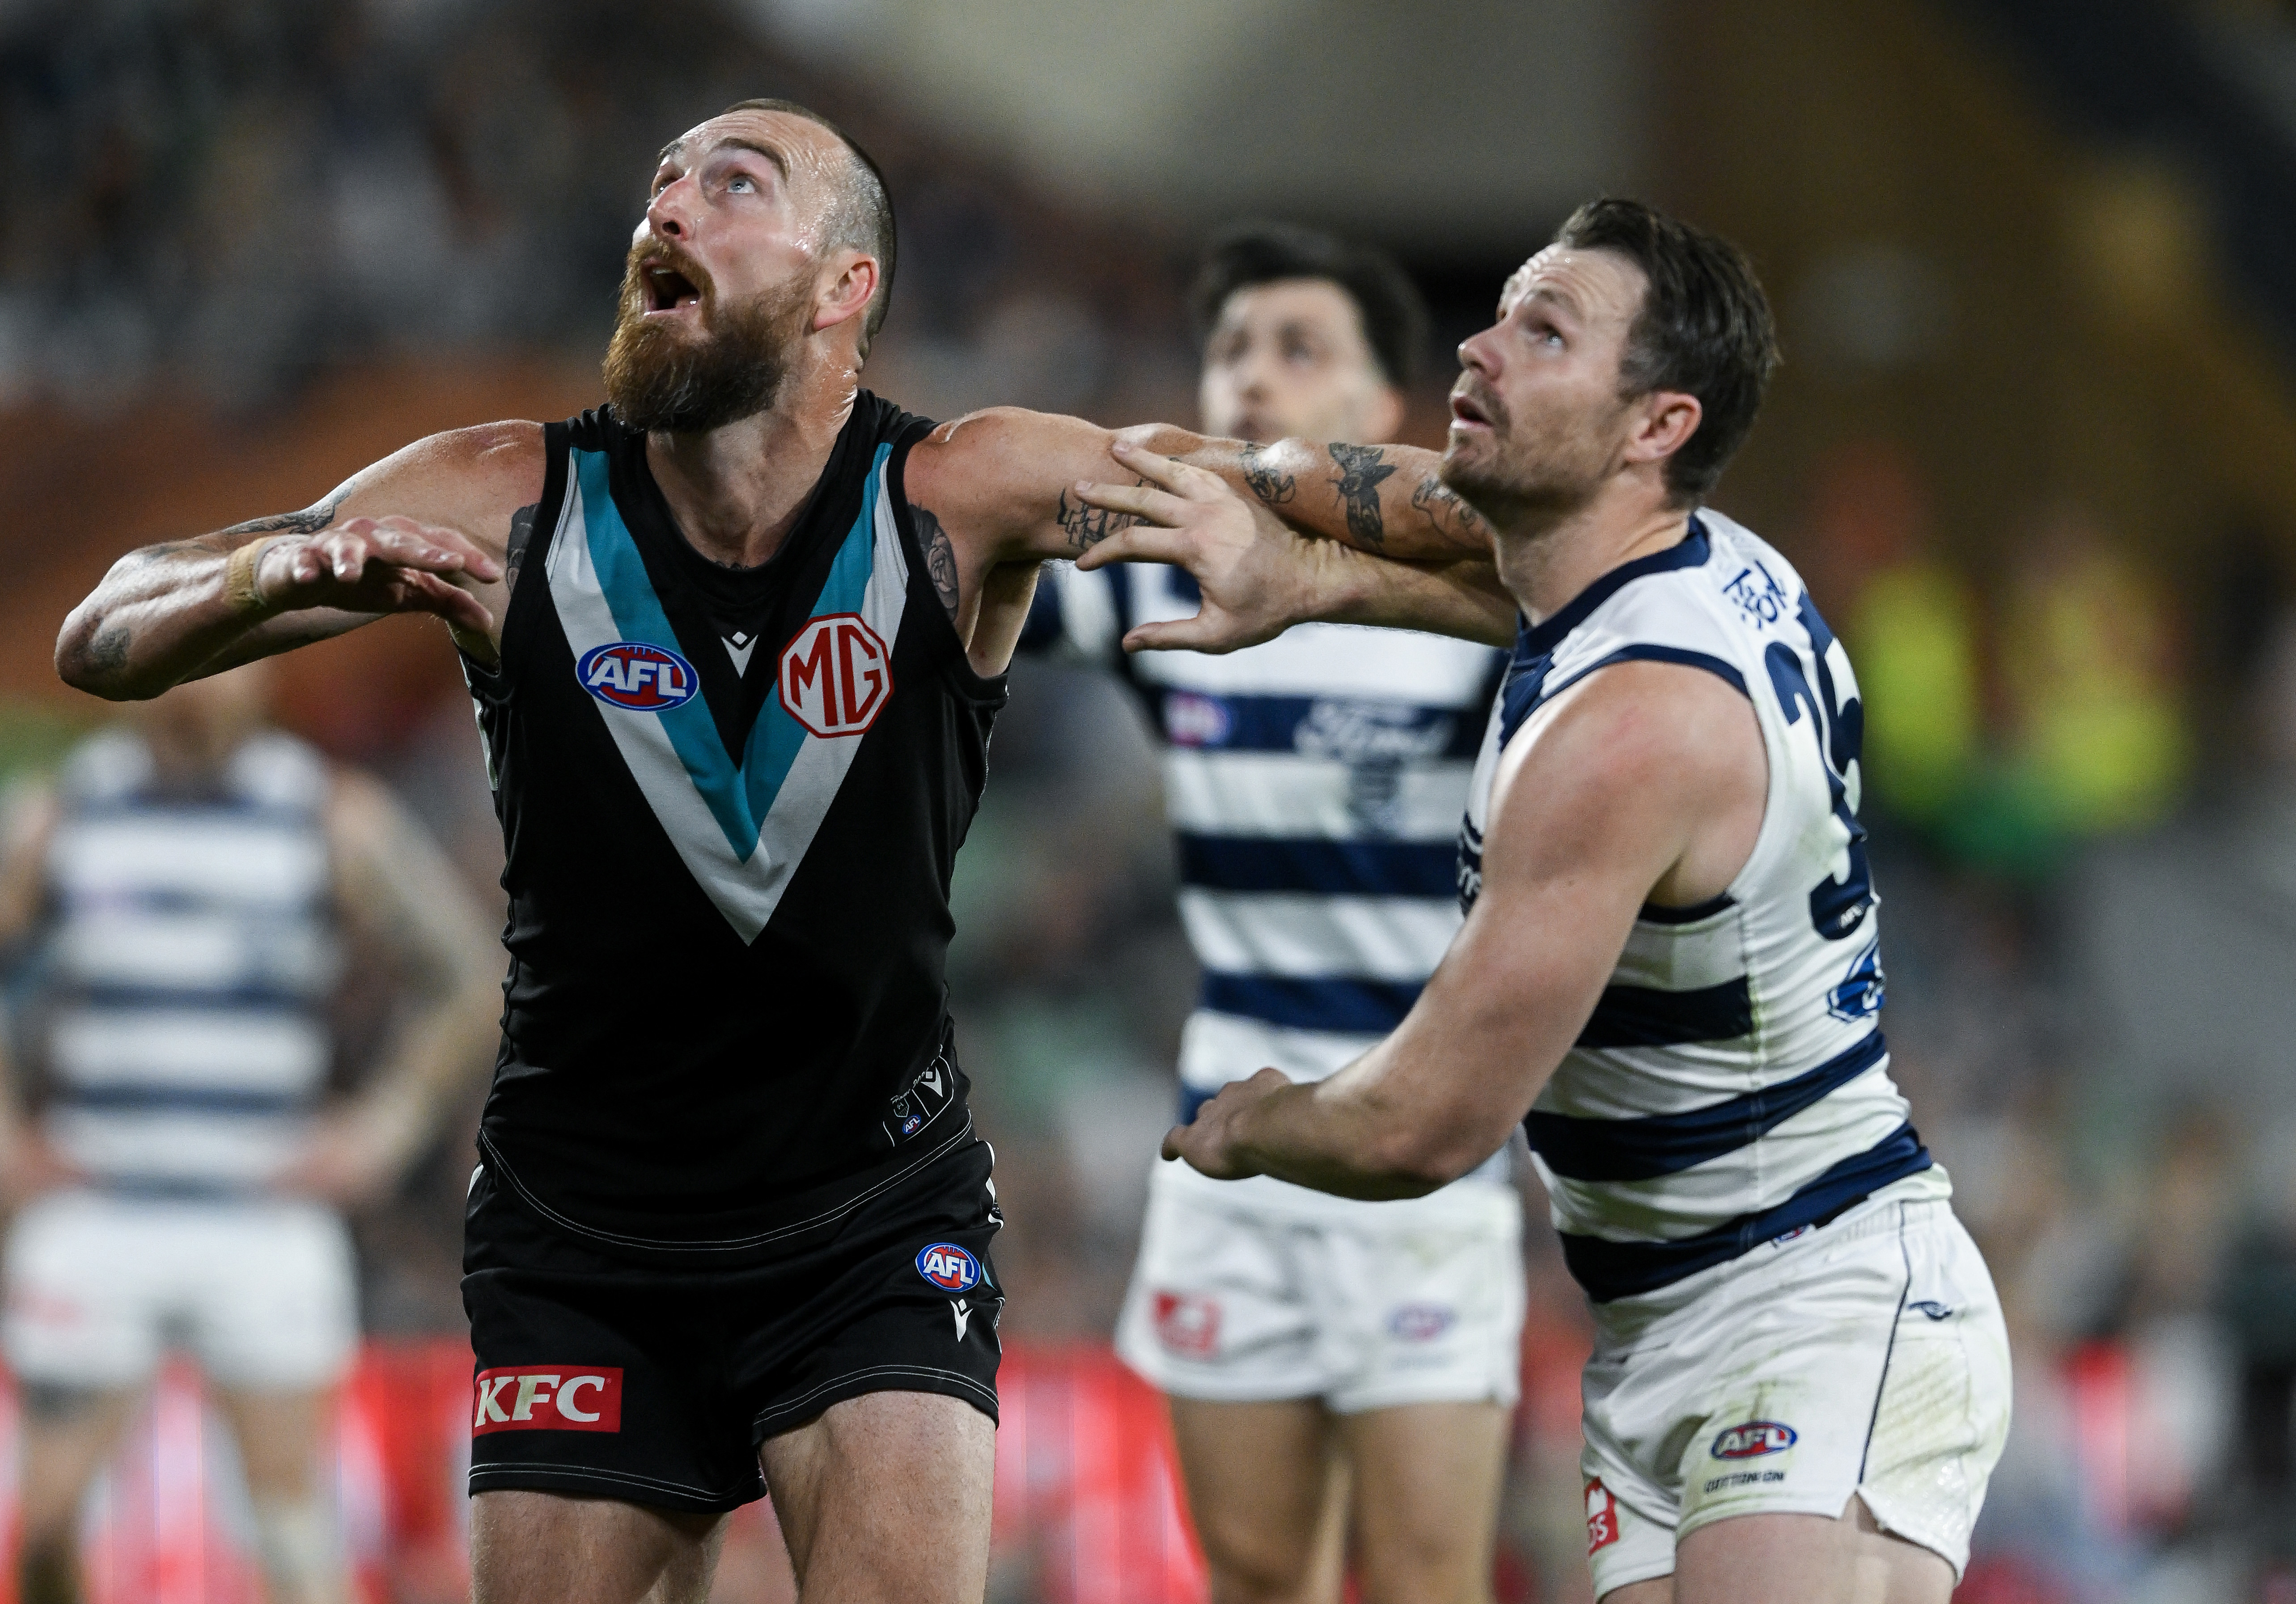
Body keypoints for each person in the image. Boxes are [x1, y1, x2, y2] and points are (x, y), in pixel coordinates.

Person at [52, 100, 1504, 1604]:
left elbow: (1278, 483)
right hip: (582, 1241)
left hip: (868, 1222)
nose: (665, 209)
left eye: (728, 185)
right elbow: (102, 632)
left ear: (841, 287)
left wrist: (1569, 558)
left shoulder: (961, 491)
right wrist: (254, 579)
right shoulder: (502, 498)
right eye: (659, 180)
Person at [1064, 198, 2013, 1604]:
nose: (1479, 344)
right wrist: (1284, 557)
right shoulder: (1676, 557)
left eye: (1543, 331)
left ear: (1654, 425)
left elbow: (1419, 1125)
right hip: (1664, 1317)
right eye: (1503, 310)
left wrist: (1251, 1121)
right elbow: (1410, 521)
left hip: (1812, 1296)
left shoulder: (1630, 734)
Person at [1022, 222, 1522, 1604]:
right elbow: (988, 559)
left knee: (1426, 1578)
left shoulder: (1460, 610)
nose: (1248, 377)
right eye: (1229, 347)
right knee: (1251, 1576)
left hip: (1413, 1150)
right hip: (1227, 1146)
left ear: (1377, 412)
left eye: (1296, 349)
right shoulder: (1159, 578)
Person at [0, 661, 501, 1604]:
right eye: (177, 655)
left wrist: (380, 1132)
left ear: (265, 671)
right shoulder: (62, 812)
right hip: (99, 1205)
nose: (199, 681)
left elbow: (462, 975)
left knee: (293, 1531)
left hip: (259, 1211)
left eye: (222, 656)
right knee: (50, 1521)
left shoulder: (324, 815)